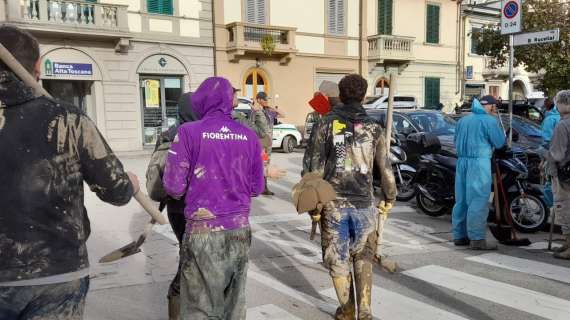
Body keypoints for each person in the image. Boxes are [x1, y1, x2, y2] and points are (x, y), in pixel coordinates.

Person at [0, 25, 139, 319]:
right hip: (58, 277)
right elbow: (116, 190)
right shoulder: (68, 119)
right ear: (38, 67)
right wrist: (131, 185)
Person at [163, 77, 265, 319]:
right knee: (234, 305)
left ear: (202, 101)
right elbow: (257, 187)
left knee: (200, 307)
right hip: (239, 231)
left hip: (203, 232)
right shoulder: (249, 136)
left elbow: (173, 187)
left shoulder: (188, 133)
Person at [303, 74, 396, 320]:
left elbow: (314, 167)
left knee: (337, 258)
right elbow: (385, 167)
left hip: (333, 206)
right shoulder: (375, 129)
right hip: (365, 205)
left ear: (340, 95)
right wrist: (390, 195)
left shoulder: (324, 124)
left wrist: (313, 204)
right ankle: (365, 311)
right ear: (364, 96)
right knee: (363, 255)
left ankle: (347, 310)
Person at [145, 91, 198, 320]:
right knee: (191, 260)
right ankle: (179, 302)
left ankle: (181, 306)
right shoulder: (197, 134)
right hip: (194, 208)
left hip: (174, 209)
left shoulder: (167, 134)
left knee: (187, 252)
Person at [452, 96, 506, 250]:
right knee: (477, 200)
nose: (496, 109)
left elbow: (455, 140)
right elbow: (499, 142)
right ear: (489, 106)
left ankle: (459, 236)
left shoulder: (463, 120)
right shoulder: (489, 121)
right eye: (495, 106)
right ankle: (477, 239)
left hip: (462, 162)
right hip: (479, 162)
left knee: (461, 200)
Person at [545, 90, 570, 260]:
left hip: (565, 175)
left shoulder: (563, 125)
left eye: (558, 101)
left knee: (565, 209)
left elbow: (557, 155)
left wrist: (544, 156)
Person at [251, 91, 285, 196]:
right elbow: (250, 126)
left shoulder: (268, 111)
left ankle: (264, 188)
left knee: (266, 164)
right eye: (265, 99)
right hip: (260, 144)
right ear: (259, 100)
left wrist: (272, 108)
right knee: (258, 164)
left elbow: (283, 115)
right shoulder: (255, 111)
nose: (266, 101)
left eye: (267, 99)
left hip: (268, 145)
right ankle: (254, 187)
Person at [540, 98, 560, 209]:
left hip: (553, 155)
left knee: (550, 179)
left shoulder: (550, 119)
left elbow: (545, 140)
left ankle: (547, 206)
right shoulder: (558, 118)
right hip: (559, 156)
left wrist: (544, 159)